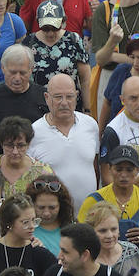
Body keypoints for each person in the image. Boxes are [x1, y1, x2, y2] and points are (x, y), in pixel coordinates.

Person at [29, 76, 100, 214]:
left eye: (69, 97)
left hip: (89, 217)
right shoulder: (33, 132)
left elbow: (96, 168)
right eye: (58, 97)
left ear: (77, 96)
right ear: (46, 97)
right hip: (51, 220)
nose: (64, 103)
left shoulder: (90, 125)